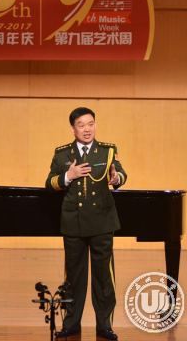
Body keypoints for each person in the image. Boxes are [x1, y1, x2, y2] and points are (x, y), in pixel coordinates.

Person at [45, 107, 127, 340]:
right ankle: (71, 323)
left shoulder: (108, 151)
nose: (87, 129)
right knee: (74, 277)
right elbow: (49, 183)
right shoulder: (62, 154)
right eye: (81, 125)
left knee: (104, 278)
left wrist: (116, 178)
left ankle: (105, 325)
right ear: (73, 129)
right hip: (74, 223)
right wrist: (67, 176)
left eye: (91, 124)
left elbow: (121, 175)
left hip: (102, 222)